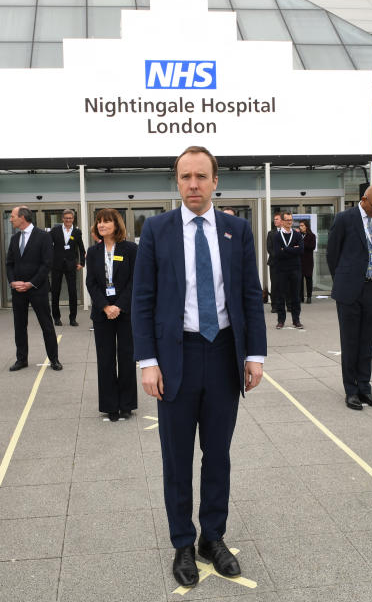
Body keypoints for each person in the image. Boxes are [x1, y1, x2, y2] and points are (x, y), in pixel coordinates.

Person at [133, 146, 266, 588]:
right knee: (176, 458)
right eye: (185, 176)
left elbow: (250, 294)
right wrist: (148, 361)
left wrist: (255, 354)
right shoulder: (156, 230)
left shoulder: (237, 230)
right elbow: (143, 301)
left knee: (218, 455)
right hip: (176, 358)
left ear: (214, 181)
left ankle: (213, 536)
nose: (193, 184)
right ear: (177, 181)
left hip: (225, 354)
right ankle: (183, 543)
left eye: (201, 176)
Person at [327, 184, 372, 410]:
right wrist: (344, 281)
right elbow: (332, 254)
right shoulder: (345, 219)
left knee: (368, 342)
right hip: (350, 290)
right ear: (364, 199)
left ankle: (365, 388)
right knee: (350, 341)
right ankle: (351, 390)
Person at [85, 208, 138, 421]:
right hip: (102, 313)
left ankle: (127, 404)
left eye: (106, 221)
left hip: (125, 313)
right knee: (105, 359)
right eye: (99, 221)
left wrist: (119, 306)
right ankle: (110, 406)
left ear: (116, 224)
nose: (101, 225)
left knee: (126, 358)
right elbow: (91, 283)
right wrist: (105, 306)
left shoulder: (131, 249)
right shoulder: (93, 251)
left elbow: (135, 281)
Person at [6, 206, 61, 371]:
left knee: (47, 325)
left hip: (38, 289)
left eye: (13, 216)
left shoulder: (43, 237)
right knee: (19, 325)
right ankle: (21, 359)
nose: (11, 219)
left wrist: (31, 283)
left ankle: (54, 359)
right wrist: (13, 282)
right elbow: (9, 263)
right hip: (18, 291)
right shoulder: (14, 239)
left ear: (22, 217)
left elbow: (47, 264)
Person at [50, 209, 86, 327]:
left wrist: (82, 263)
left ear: (73, 219)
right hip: (56, 265)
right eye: (66, 218)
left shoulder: (77, 232)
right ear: (62, 219)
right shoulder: (55, 231)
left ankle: (73, 318)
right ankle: (56, 318)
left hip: (71, 265)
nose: (68, 220)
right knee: (55, 292)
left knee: (72, 293)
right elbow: (48, 247)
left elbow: (81, 248)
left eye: (70, 218)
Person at [271, 211, 304, 329]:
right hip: (281, 270)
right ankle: (281, 320)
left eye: (291, 220)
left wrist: (285, 249)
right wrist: (291, 250)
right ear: (282, 221)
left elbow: (300, 250)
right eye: (287, 220)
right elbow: (277, 253)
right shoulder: (276, 236)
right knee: (280, 295)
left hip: (295, 269)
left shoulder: (297, 235)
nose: (289, 222)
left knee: (295, 295)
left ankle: (296, 320)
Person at [265, 212, 281, 306]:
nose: (275, 221)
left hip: (286, 263)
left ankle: (289, 305)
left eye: (277, 219)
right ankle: (274, 305)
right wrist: (278, 256)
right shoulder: (271, 233)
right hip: (274, 262)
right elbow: (269, 248)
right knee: (275, 284)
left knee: (286, 284)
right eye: (274, 219)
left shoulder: (288, 232)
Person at [298, 219, 316, 303]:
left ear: (306, 226)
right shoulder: (298, 235)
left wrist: (301, 244)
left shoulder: (311, 236)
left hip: (308, 261)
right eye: (300, 226)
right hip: (299, 260)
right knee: (299, 279)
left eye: (302, 226)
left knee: (308, 279)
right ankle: (300, 297)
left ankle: (309, 296)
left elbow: (312, 246)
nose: (300, 227)